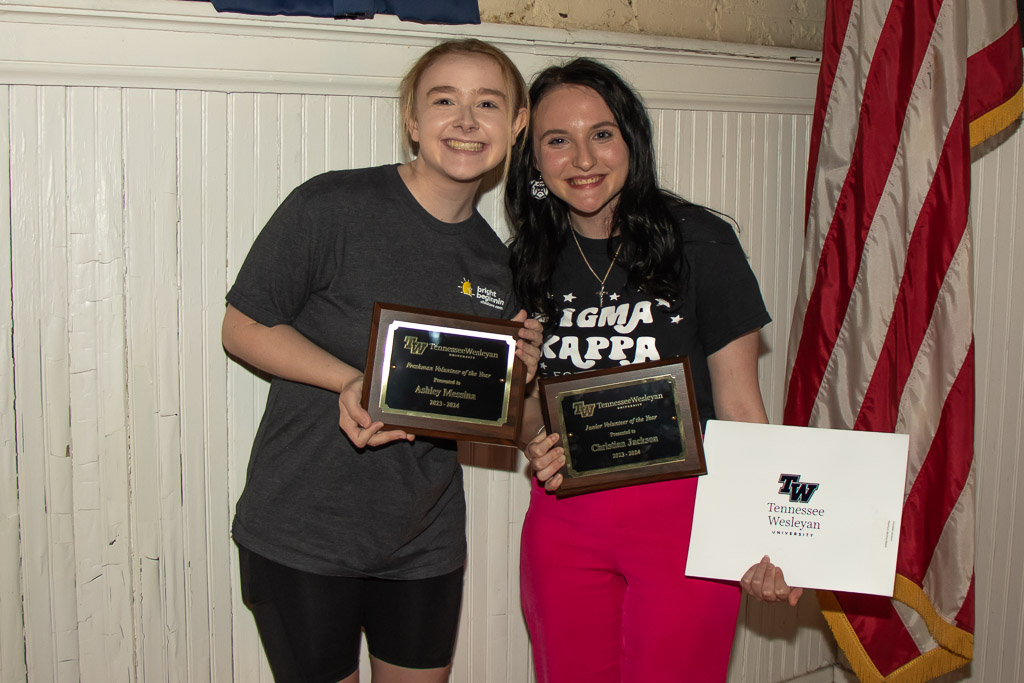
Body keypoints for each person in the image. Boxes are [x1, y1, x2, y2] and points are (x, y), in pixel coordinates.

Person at [222, 39, 541, 683]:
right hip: (302, 529)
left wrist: (519, 374)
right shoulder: (331, 205)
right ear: (412, 120)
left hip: (424, 539)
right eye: (444, 101)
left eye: (487, 103)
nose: (466, 120)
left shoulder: (499, 266)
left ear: (516, 125)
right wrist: (350, 381)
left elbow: (505, 420)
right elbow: (242, 327)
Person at [506, 58, 801, 683]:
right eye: (557, 140)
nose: (583, 158)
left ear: (632, 141)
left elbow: (741, 406)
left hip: (688, 519)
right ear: (533, 160)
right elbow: (528, 423)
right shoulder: (523, 260)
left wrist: (770, 532)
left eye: (602, 134)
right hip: (564, 518)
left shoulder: (701, 241)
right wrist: (530, 424)